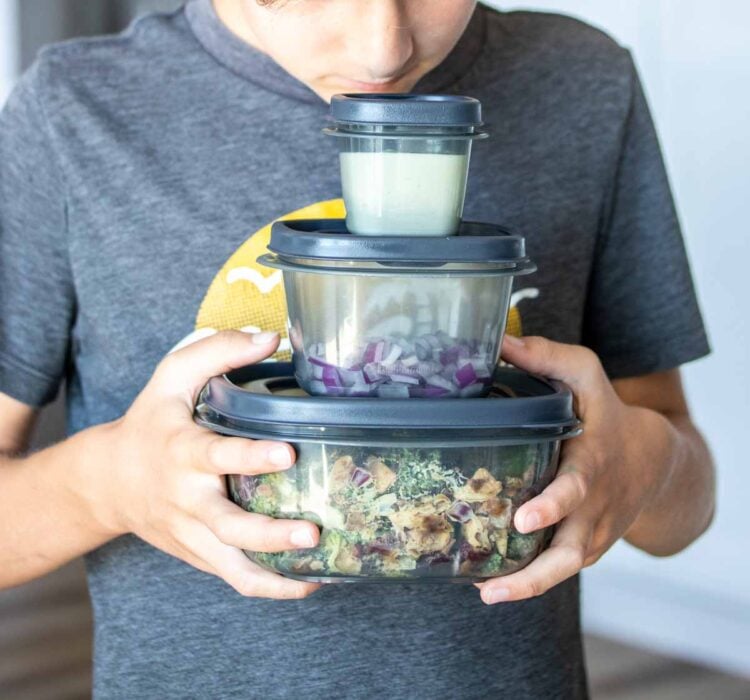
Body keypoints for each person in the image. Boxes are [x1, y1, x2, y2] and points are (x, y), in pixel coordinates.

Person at [0, 0, 715, 698]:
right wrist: (111, 482)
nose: (384, 48)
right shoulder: (72, 110)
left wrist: (644, 467)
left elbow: (684, 496)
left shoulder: (583, 81)